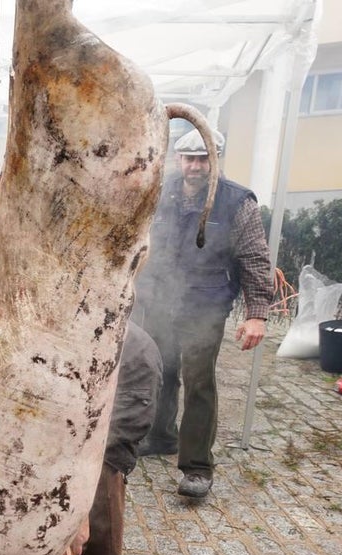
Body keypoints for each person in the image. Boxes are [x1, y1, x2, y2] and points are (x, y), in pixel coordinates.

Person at [133, 128, 272, 499]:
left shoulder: (237, 202)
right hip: (161, 298)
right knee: (159, 372)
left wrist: (256, 313)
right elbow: (138, 242)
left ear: (216, 158)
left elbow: (256, 259)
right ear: (178, 159)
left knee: (198, 382)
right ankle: (160, 436)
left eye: (203, 158)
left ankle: (196, 467)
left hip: (205, 305)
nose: (195, 166)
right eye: (189, 158)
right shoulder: (161, 194)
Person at [56, 321, 162, 555]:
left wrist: (81, 509)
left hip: (127, 376)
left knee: (102, 477)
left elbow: (95, 442)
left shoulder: (135, 354)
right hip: (73, 380)